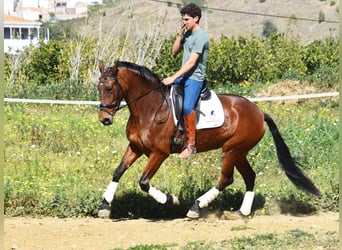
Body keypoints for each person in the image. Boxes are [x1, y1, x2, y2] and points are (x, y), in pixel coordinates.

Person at [162, 3, 209, 159]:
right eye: (183, 19)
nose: (184, 22)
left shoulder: (201, 36)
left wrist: (173, 77)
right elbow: (174, 52)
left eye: (187, 19)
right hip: (184, 76)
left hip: (195, 78)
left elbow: (191, 62)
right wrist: (180, 34)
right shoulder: (187, 33)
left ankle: (190, 146)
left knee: (188, 106)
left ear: (196, 18)